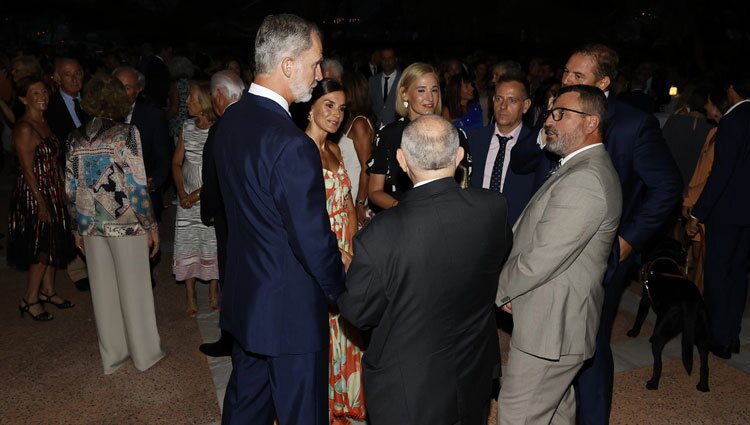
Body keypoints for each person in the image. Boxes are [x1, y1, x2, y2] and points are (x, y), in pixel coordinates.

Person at [512, 44, 682, 423]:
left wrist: (625, 242)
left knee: (588, 345)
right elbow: (523, 161)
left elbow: (667, 186)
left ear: (603, 82)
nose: (565, 80)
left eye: (578, 76)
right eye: (566, 73)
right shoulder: (554, 110)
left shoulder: (632, 123)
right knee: (546, 335)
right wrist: (547, 124)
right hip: (547, 243)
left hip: (597, 252)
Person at [214, 14, 345, 425]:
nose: (320, 72)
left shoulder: (230, 120)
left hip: (247, 301)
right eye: (316, 62)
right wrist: (344, 293)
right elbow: (312, 240)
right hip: (289, 313)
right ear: (288, 65)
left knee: (245, 409)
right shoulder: (291, 143)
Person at [339, 114, 512, 425]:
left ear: (402, 161)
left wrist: (352, 274)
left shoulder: (380, 234)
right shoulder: (493, 208)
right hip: (473, 369)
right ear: (459, 157)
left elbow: (359, 313)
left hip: (409, 387)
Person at [496, 85, 622, 424]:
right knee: (554, 414)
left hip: (551, 328)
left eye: (560, 114)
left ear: (591, 122)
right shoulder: (578, 167)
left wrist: (500, 288)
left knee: (517, 415)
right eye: (551, 112)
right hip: (554, 323)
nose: (549, 121)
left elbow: (543, 256)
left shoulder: (586, 179)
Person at [66, 74, 164, 374]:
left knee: (103, 291)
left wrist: (76, 228)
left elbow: (69, 188)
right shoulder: (125, 133)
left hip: (90, 224)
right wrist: (151, 225)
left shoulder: (75, 137)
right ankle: (145, 355)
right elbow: (136, 184)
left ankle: (113, 356)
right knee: (134, 288)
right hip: (125, 222)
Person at [686, 75, 750, 360]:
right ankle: (731, 334)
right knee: (738, 275)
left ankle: (719, 338)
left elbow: (720, 174)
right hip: (747, 214)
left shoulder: (732, 121)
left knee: (716, 275)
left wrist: (698, 212)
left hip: (726, 213)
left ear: (732, 90)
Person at [8, 76, 75, 321]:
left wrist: (64, 189)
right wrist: (41, 202)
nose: (42, 97)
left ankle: (47, 291)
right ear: (24, 98)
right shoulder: (25, 128)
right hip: (34, 193)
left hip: (52, 190)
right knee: (41, 249)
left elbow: (52, 159)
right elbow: (26, 170)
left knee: (53, 242)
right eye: (35, 93)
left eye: (44, 92)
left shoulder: (44, 122)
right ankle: (30, 298)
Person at [367, 62, 471, 211]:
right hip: (401, 222)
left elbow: (464, 186)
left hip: (446, 218)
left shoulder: (453, 134)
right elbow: (374, 191)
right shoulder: (388, 135)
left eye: (434, 90)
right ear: (404, 93)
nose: (429, 97)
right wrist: (403, 209)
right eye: (421, 90)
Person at [198, 70, 245, 358]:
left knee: (230, 274)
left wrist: (209, 210)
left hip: (229, 214)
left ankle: (230, 338)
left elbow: (213, 174)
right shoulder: (256, 119)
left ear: (218, 96)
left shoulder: (222, 127)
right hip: (255, 213)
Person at [172, 80, 219, 317]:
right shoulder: (186, 128)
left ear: (203, 102)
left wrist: (196, 195)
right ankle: (190, 296)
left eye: (191, 97)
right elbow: (176, 162)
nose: (186, 101)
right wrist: (181, 193)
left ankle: (213, 291)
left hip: (209, 197)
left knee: (211, 242)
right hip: (186, 200)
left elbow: (219, 172)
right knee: (187, 242)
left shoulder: (219, 129)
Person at [468, 75, 542, 225]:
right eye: (499, 99)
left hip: (516, 232)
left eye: (512, 100)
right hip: (474, 228)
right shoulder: (473, 140)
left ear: (526, 106)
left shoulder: (536, 147)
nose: (503, 106)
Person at [682, 87, 728, 293]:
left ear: (717, 107)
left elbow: (713, 177)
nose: (706, 106)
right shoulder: (713, 132)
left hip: (706, 206)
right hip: (696, 202)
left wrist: (692, 199)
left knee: (704, 269)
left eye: (709, 102)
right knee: (698, 264)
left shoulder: (727, 136)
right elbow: (700, 169)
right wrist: (687, 197)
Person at [340, 72, 375, 226]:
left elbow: (366, 166)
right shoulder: (350, 120)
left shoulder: (360, 123)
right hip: (347, 190)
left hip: (355, 192)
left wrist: (360, 202)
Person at [368, 47, 400, 128]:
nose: (387, 62)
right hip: (376, 128)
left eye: (390, 58)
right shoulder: (373, 80)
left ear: (395, 60)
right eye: (384, 59)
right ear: (380, 60)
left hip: (396, 129)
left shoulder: (403, 80)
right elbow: (369, 104)